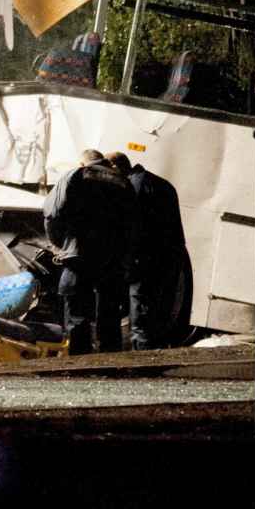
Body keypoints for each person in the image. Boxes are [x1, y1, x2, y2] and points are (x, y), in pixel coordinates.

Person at [43, 148, 136, 355]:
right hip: (112, 256)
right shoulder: (124, 182)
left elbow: (52, 212)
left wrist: (60, 244)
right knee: (109, 311)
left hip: (80, 254)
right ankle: (109, 360)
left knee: (78, 311)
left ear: (83, 163)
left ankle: (80, 358)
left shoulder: (75, 174)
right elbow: (132, 223)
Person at [107, 151, 184, 350]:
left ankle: (142, 363)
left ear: (116, 167)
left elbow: (133, 230)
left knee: (141, 316)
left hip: (144, 261)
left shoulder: (132, 187)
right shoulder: (163, 184)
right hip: (171, 259)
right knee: (160, 312)